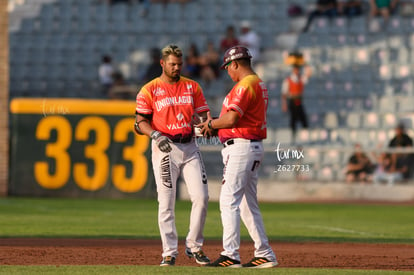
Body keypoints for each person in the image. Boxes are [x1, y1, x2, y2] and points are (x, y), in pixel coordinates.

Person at [197, 46, 278, 268]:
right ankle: (265, 253)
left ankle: (230, 254)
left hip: (241, 147)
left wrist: (211, 124)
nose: (228, 73)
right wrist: (214, 126)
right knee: (246, 204)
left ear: (234, 64)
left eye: (228, 68)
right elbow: (236, 120)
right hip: (248, 145)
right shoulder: (257, 83)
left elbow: (232, 119)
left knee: (228, 200)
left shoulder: (244, 85)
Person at [134, 44, 211, 267]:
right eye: (172, 64)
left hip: (189, 146)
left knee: (202, 197)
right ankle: (169, 252)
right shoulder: (149, 89)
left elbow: (204, 114)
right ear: (162, 63)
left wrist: (204, 124)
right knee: (166, 202)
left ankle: (194, 246)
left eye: (179, 64)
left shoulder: (192, 87)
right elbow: (140, 122)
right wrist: (156, 135)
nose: (176, 68)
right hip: (165, 147)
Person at [281, 62, 312, 143]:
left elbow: (308, 74)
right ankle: (293, 137)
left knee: (303, 119)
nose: (297, 71)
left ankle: (304, 139)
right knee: (293, 120)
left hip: (299, 101)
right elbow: (284, 93)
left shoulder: (301, 78)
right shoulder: (288, 80)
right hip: (292, 101)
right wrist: (284, 104)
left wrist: (305, 63)